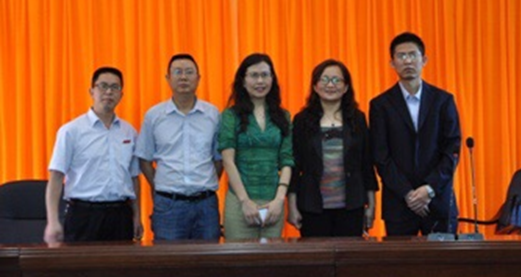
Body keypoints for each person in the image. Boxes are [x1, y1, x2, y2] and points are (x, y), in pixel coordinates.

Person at [369, 32, 462, 236]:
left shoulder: (443, 100)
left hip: (438, 201)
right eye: (401, 56)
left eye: (413, 55)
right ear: (392, 63)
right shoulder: (380, 105)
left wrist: (428, 189)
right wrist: (408, 194)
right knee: (400, 258)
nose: (407, 61)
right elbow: (381, 156)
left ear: (424, 60)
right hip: (399, 204)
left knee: (444, 257)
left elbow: (452, 149)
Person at [44, 67, 143, 243]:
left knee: (122, 262)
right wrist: (52, 222)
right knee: (81, 262)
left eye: (115, 87)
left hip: (120, 215)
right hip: (83, 215)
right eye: (103, 86)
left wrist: (137, 216)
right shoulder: (71, 131)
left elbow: (134, 178)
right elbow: (56, 177)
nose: (109, 92)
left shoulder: (130, 132)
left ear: (121, 94)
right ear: (91, 91)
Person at [135, 54, 222, 240]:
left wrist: (205, 182)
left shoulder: (213, 114)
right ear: (168, 78)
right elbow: (144, 159)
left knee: (209, 256)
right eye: (178, 72)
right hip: (168, 205)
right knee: (169, 257)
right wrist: (159, 184)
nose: (183, 77)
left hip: (206, 204)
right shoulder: (154, 115)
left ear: (198, 78)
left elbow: (219, 159)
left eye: (189, 72)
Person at [288, 59, 377, 237]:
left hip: (352, 205)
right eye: (324, 79)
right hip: (312, 206)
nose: (330, 85)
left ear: (346, 87)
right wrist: (291, 206)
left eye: (337, 80)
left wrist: (372, 204)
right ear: (315, 86)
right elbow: (294, 166)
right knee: (316, 254)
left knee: (349, 254)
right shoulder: (302, 120)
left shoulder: (357, 119)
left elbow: (366, 164)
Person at [218, 53, 293, 240]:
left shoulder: (283, 116)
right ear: (243, 81)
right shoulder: (230, 116)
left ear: (272, 79)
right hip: (240, 202)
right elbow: (228, 161)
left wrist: (279, 199)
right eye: (254, 75)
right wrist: (245, 201)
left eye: (265, 75)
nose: (260, 81)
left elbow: (287, 160)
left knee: (271, 257)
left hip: (274, 204)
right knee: (238, 257)